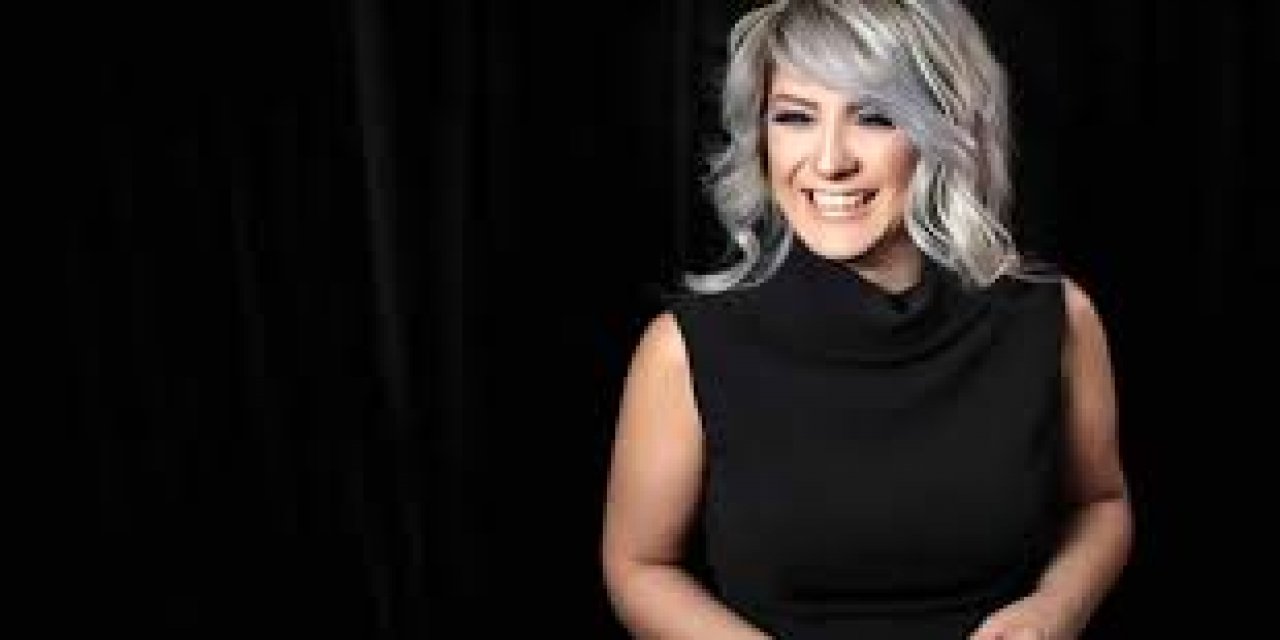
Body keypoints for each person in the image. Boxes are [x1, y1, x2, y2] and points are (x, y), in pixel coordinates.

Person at [600, 0, 1133, 638]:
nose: (829, 161)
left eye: (875, 117)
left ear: (947, 126)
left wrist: (1056, 609)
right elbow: (640, 565)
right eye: (795, 117)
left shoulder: (1057, 319)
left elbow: (1101, 504)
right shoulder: (683, 349)